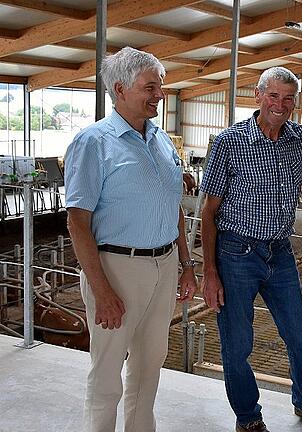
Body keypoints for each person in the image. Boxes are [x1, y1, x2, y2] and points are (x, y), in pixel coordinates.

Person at [199, 66, 302, 432]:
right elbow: (208, 210)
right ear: (257, 95)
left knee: (299, 334)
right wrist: (209, 270)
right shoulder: (229, 142)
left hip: (280, 252)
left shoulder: (301, 139)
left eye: (288, 98)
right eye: (273, 96)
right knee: (238, 345)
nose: (280, 104)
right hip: (236, 252)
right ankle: (249, 418)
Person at [65, 46, 197, 432]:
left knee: (150, 363)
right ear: (120, 89)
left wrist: (186, 265)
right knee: (107, 371)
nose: (159, 95)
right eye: (150, 87)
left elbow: (173, 206)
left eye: (161, 87)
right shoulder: (93, 142)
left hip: (165, 263)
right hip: (117, 265)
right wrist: (101, 289)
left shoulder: (161, 140)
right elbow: (77, 222)